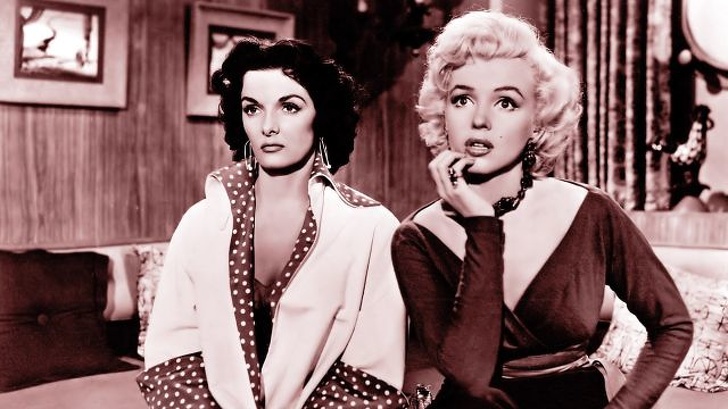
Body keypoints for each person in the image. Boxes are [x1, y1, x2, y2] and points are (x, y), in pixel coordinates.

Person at [391, 10, 694, 409]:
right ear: (443, 112)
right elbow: (470, 374)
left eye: (506, 102)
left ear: (537, 119)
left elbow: (672, 324)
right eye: (462, 99)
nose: (480, 120)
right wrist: (482, 226)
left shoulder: (591, 212)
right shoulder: (415, 238)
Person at [136, 38, 409, 409]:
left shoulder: (371, 228)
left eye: (289, 107)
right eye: (252, 108)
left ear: (321, 116)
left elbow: (369, 380)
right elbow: (173, 357)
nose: (268, 126)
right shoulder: (200, 223)